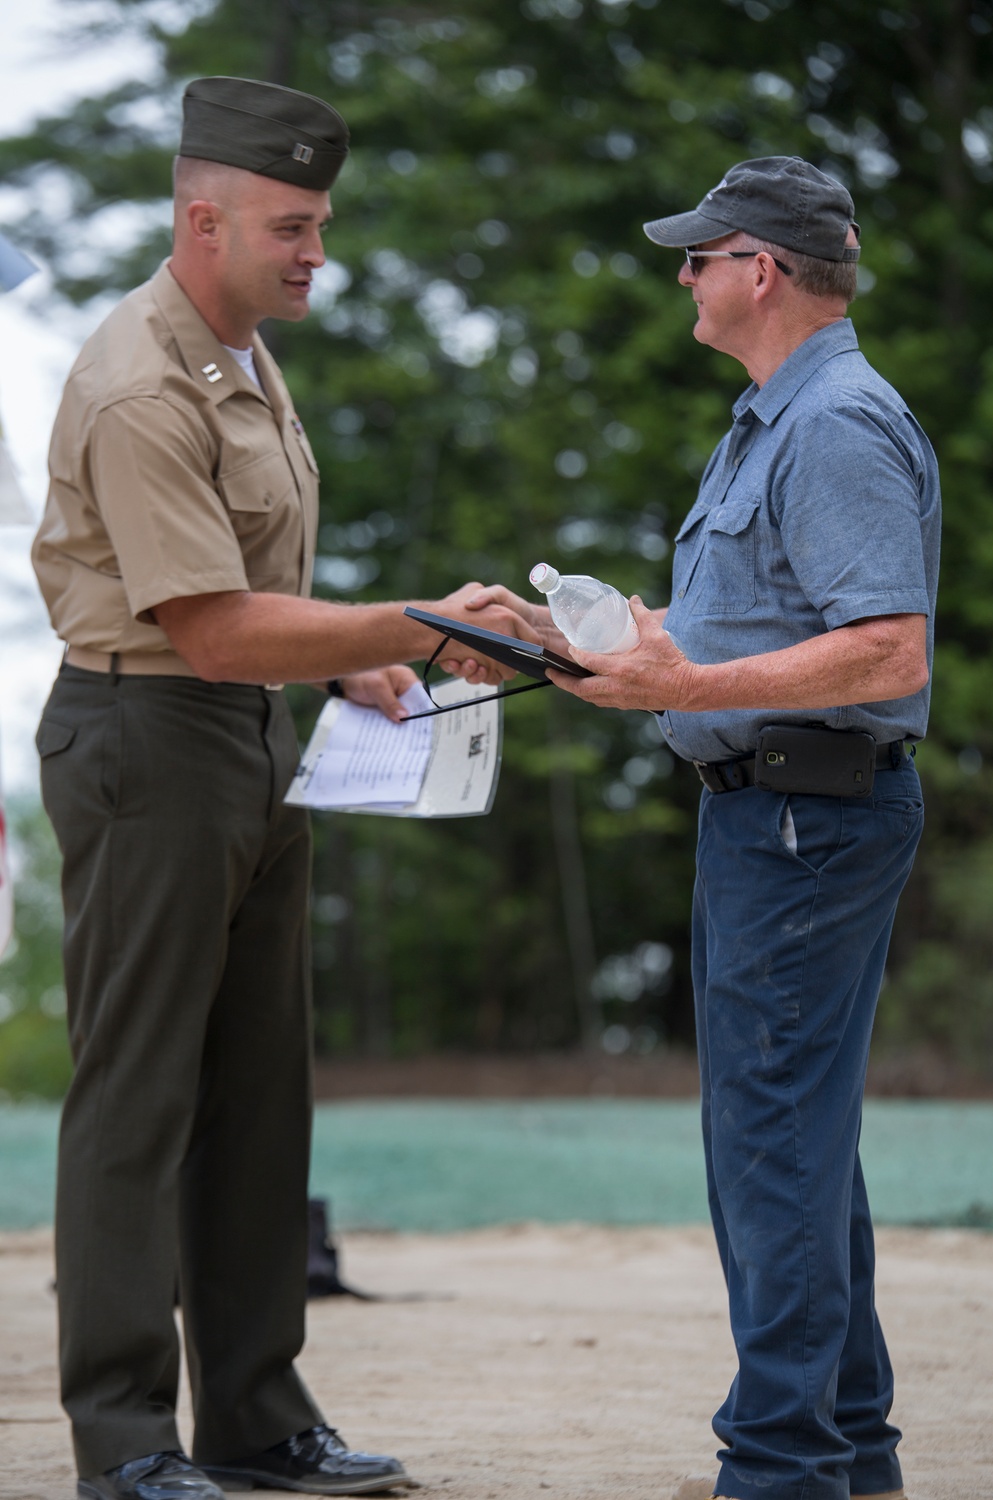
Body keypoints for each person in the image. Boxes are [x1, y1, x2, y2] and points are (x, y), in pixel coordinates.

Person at [31, 76, 535, 1500]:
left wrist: (339, 670)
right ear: (205, 218)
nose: (319, 250)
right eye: (293, 226)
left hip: (248, 735)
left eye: (322, 223)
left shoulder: (239, 349)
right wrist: (416, 631)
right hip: (150, 743)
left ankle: (253, 1419)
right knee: (139, 1100)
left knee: (260, 1096)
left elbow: (247, 596)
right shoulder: (139, 379)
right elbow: (203, 624)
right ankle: (123, 1446)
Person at [470, 157, 940, 1500]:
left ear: (764, 270)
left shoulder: (835, 422)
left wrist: (682, 683)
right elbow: (755, 634)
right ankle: (846, 1454)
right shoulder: (778, 420)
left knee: (773, 1143)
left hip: (804, 811)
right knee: (797, 1136)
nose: (681, 276)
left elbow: (886, 651)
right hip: (783, 812)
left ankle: (784, 1468)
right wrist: (577, 640)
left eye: (699, 254)